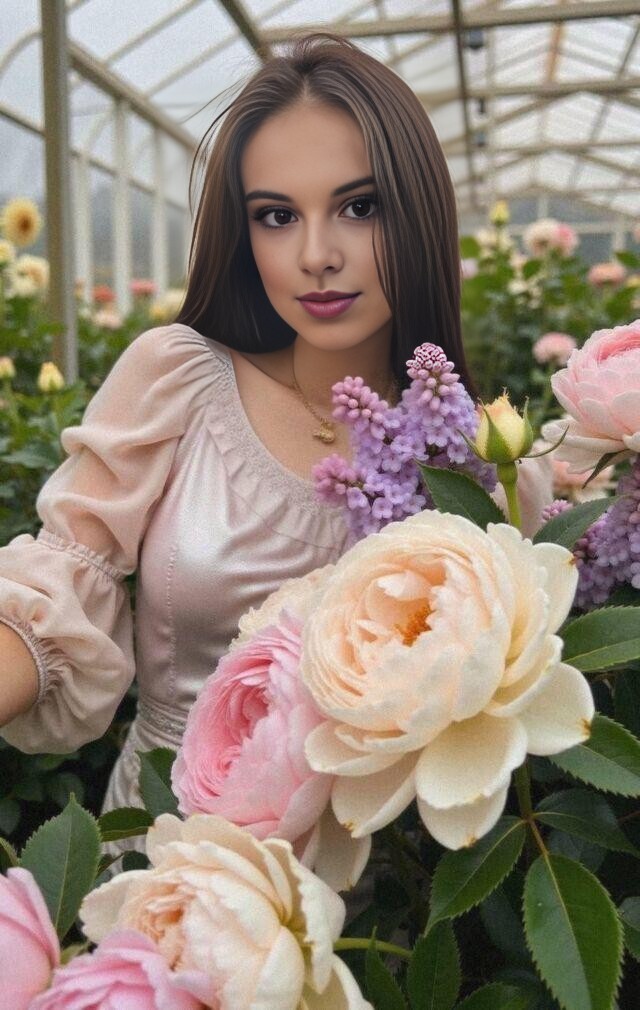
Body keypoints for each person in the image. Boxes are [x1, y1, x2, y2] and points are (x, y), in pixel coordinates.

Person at [0, 34, 551, 826]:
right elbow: (53, 590)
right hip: (171, 846)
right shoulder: (178, 381)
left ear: (418, 214)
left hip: (382, 878)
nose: (317, 255)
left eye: (359, 207)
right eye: (277, 216)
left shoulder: (475, 466)